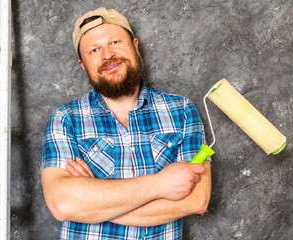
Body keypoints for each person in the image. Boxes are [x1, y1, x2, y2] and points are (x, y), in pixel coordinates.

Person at [41, 7, 211, 240]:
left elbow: (196, 200)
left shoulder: (181, 110)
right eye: (94, 50)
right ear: (83, 65)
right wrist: (160, 185)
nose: (107, 55)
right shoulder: (65, 119)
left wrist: (93, 203)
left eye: (115, 42)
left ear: (135, 46)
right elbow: (62, 204)